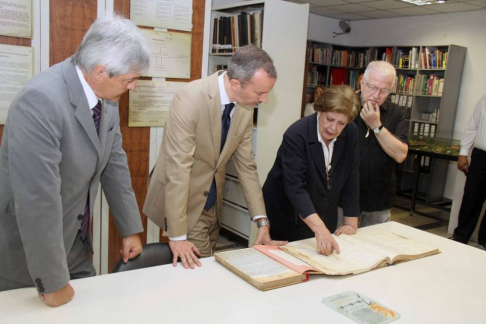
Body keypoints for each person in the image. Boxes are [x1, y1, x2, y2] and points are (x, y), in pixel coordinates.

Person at [0, 16, 150, 307]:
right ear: (100, 71)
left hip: (76, 245)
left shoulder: (106, 97)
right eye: (129, 79)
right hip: (28, 258)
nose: (132, 87)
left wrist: (130, 228)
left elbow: (115, 165)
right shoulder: (41, 101)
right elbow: (37, 200)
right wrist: (53, 282)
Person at [143, 45, 285, 268]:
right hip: (185, 201)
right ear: (236, 84)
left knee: (200, 270)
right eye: (260, 93)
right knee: (205, 270)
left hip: (212, 204)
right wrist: (177, 237)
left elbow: (246, 166)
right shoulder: (190, 98)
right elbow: (178, 168)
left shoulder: (245, 107)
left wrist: (262, 221)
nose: (264, 100)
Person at [263, 85, 360, 255]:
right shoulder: (297, 134)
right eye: (330, 119)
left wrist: (351, 223)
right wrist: (320, 229)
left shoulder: (350, 133)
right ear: (319, 111)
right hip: (287, 213)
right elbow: (295, 188)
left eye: (341, 123)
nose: (334, 128)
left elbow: (351, 176)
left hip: (323, 212)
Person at [354, 61, 409, 227]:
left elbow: (400, 154)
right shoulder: (345, 106)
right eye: (372, 87)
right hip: (344, 197)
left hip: (379, 198)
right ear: (362, 83)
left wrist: (377, 126)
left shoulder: (397, 112)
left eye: (384, 90)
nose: (377, 95)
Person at [452, 95, 486, 249]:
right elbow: (473, 125)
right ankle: (460, 239)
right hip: (481, 156)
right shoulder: (484, 99)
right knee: (471, 198)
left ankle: (484, 243)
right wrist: (463, 152)